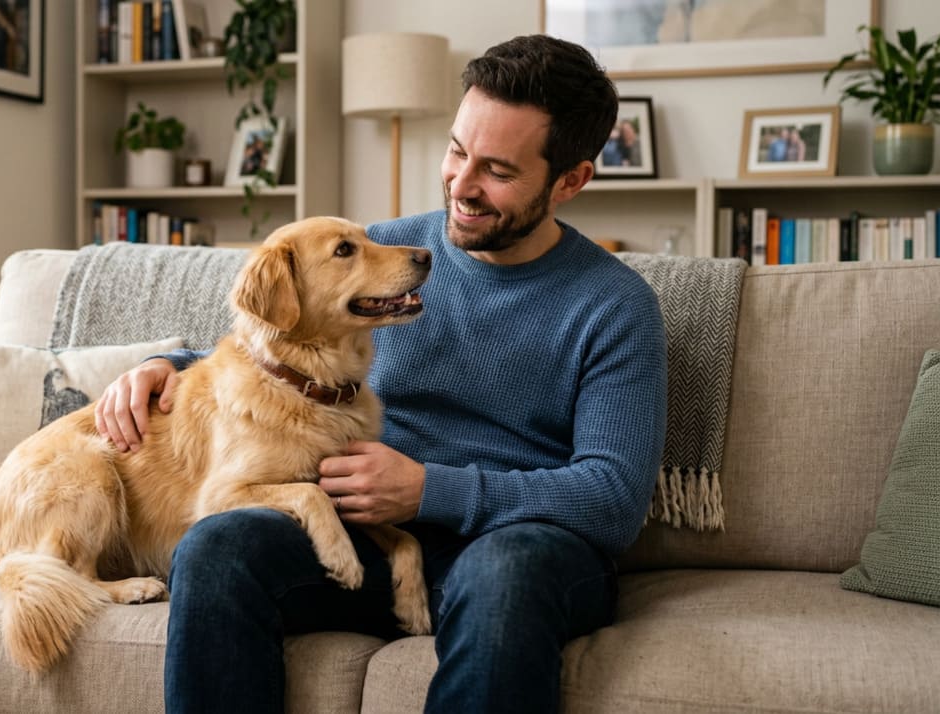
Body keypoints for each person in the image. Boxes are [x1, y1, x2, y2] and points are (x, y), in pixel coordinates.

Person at [93, 33, 668, 713]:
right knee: (220, 543)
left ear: (570, 179)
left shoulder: (616, 307)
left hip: (518, 545)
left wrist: (431, 491)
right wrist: (167, 367)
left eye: (498, 171)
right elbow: (289, 336)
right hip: (365, 539)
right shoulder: (388, 250)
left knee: (507, 574)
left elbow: (612, 499)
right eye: (457, 151)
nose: (461, 183)